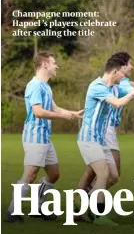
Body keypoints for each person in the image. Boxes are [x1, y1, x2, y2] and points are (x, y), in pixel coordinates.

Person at [75, 55, 134, 226]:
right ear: (115, 71)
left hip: (100, 140)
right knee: (103, 174)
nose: (124, 77)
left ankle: (84, 205)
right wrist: (133, 93)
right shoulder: (98, 86)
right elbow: (117, 103)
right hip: (88, 138)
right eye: (122, 73)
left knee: (113, 177)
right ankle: (98, 215)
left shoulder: (114, 86)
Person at [4, 52, 83, 223]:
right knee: (30, 174)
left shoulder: (46, 86)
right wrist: (63, 117)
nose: (57, 66)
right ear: (45, 65)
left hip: (45, 138)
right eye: (54, 63)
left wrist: (72, 114)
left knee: (54, 174)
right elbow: (38, 112)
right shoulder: (34, 86)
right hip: (34, 137)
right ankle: (12, 211)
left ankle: (38, 207)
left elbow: (55, 108)